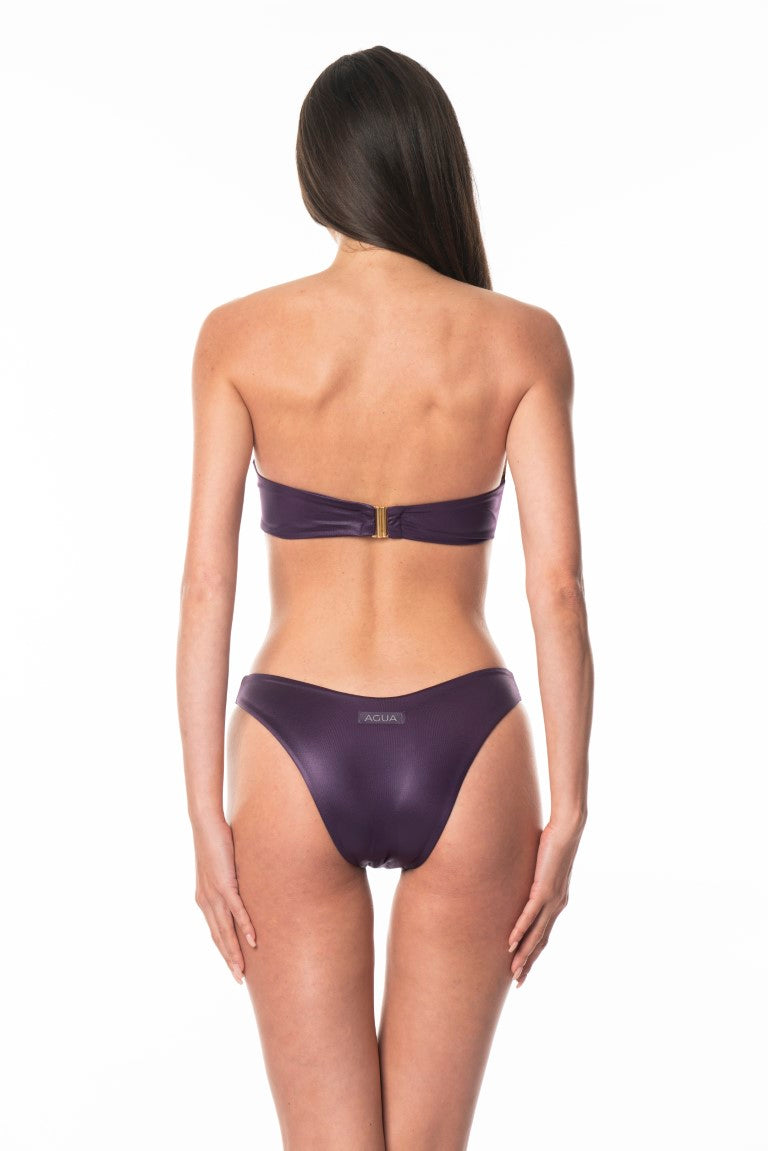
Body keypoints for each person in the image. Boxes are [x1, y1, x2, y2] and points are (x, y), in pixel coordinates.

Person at [176, 44, 593, 1151]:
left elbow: (208, 583)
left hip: (290, 739)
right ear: (431, 164)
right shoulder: (520, 339)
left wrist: (205, 814)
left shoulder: (239, 335)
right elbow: (556, 588)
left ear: (319, 174)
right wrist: (570, 810)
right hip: (470, 735)